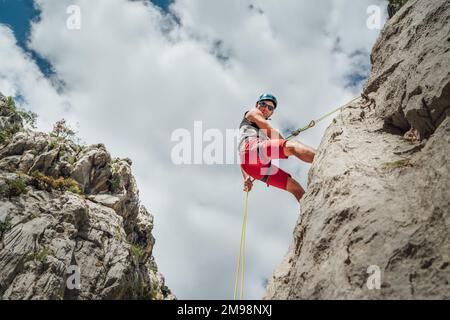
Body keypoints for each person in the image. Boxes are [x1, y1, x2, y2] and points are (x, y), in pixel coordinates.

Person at [238, 94, 316, 202]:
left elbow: (243, 157)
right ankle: (325, 158)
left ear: (272, 113)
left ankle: (310, 209)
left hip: (251, 165)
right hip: (252, 150)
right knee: (293, 146)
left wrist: (246, 178)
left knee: (294, 187)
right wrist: (284, 142)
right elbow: (269, 129)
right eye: (263, 104)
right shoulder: (253, 113)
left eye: (270, 108)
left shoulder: (254, 133)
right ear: (257, 105)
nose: (266, 108)